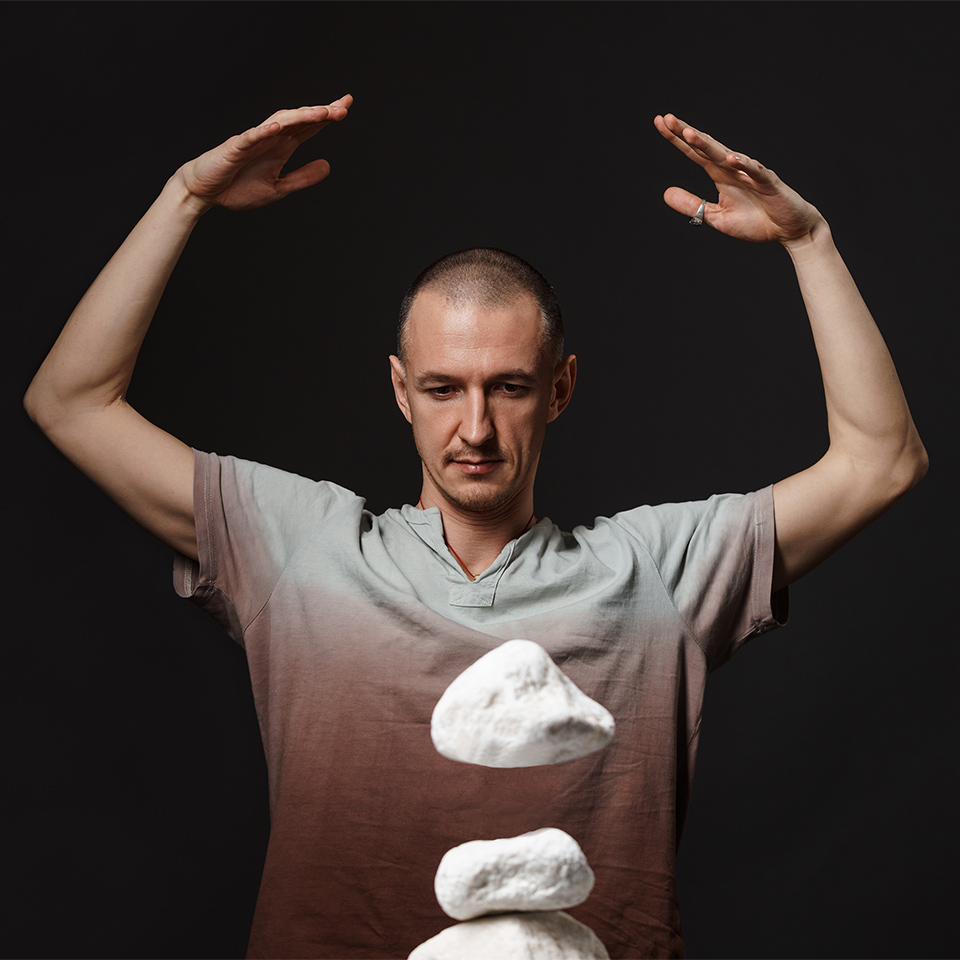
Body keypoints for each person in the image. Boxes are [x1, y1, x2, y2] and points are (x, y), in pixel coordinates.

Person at [23, 96, 926, 959]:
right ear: (399, 391)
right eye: (443, 389)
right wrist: (186, 194)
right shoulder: (301, 547)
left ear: (561, 390)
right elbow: (70, 401)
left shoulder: (655, 574)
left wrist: (810, 242)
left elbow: (881, 461)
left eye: (511, 387)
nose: (477, 429)